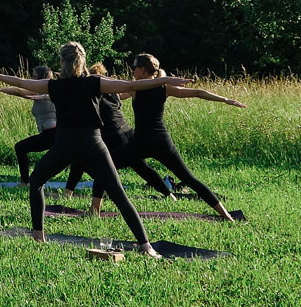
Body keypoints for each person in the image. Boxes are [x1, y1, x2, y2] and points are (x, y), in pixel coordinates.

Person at [0, 42, 193, 258]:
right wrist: (164, 80)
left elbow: (20, 82)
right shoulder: (94, 83)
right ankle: (146, 246)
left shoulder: (54, 86)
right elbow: (131, 86)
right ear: (82, 61)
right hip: (93, 143)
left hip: (65, 144)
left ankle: (38, 236)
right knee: (118, 194)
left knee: (36, 182)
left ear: (62, 62)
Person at [84, 53, 243, 221]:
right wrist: (226, 99)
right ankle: (226, 215)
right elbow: (198, 92)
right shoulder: (161, 87)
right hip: (159, 141)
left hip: (143, 143)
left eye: (134, 67)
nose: (132, 70)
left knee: (104, 167)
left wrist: (226, 99)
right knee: (189, 179)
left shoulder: (135, 87)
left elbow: (197, 92)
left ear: (143, 70)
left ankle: (95, 211)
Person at [63, 62, 171, 197]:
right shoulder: (113, 91)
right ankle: (168, 194)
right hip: (127, 132)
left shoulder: (94, 92)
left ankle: (70, 194)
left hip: (113, 135)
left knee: (85, 161)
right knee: (141, 167)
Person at [0, 65, 57, 185]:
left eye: (34, 77)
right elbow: (21, 93)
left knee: (20, 147)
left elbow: (20, 91)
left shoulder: (41, 89)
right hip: (52, 134)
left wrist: (1, 89)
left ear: (41, 78)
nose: (31, 79)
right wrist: (1, 90)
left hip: (51, 134)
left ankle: (25, 182)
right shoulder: (45, 90)